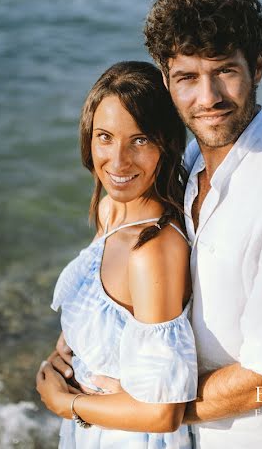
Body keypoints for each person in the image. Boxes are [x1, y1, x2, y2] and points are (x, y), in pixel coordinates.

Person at [46, 0, 262, 448]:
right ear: (166, 80)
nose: (207, 98)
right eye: (188, 77)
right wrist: (82, 355)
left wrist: (133, 409)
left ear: (258, 67)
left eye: (225, 71)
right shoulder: (188, 164)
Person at [35, 61, 197, 448]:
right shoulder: (110, 211)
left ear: (166, 143)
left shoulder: (152, 251)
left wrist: (66, 403)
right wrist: (67, 351)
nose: (119, 161)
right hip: (95, 428)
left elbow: (164, 412)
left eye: (139, 140)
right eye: (105, 137)